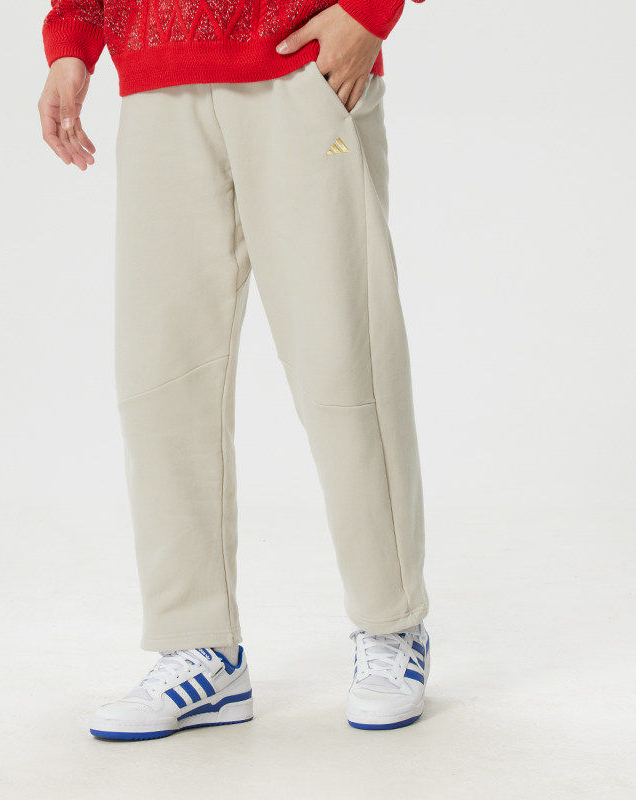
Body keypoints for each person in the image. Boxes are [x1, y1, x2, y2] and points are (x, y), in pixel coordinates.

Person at [38, 0, 430, 740]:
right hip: (155, 79)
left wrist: (369, 13)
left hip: (302, 70)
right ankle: (198, 646)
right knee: (161, 377)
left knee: (346, 361)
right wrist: (73, 39)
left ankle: (391, 624)